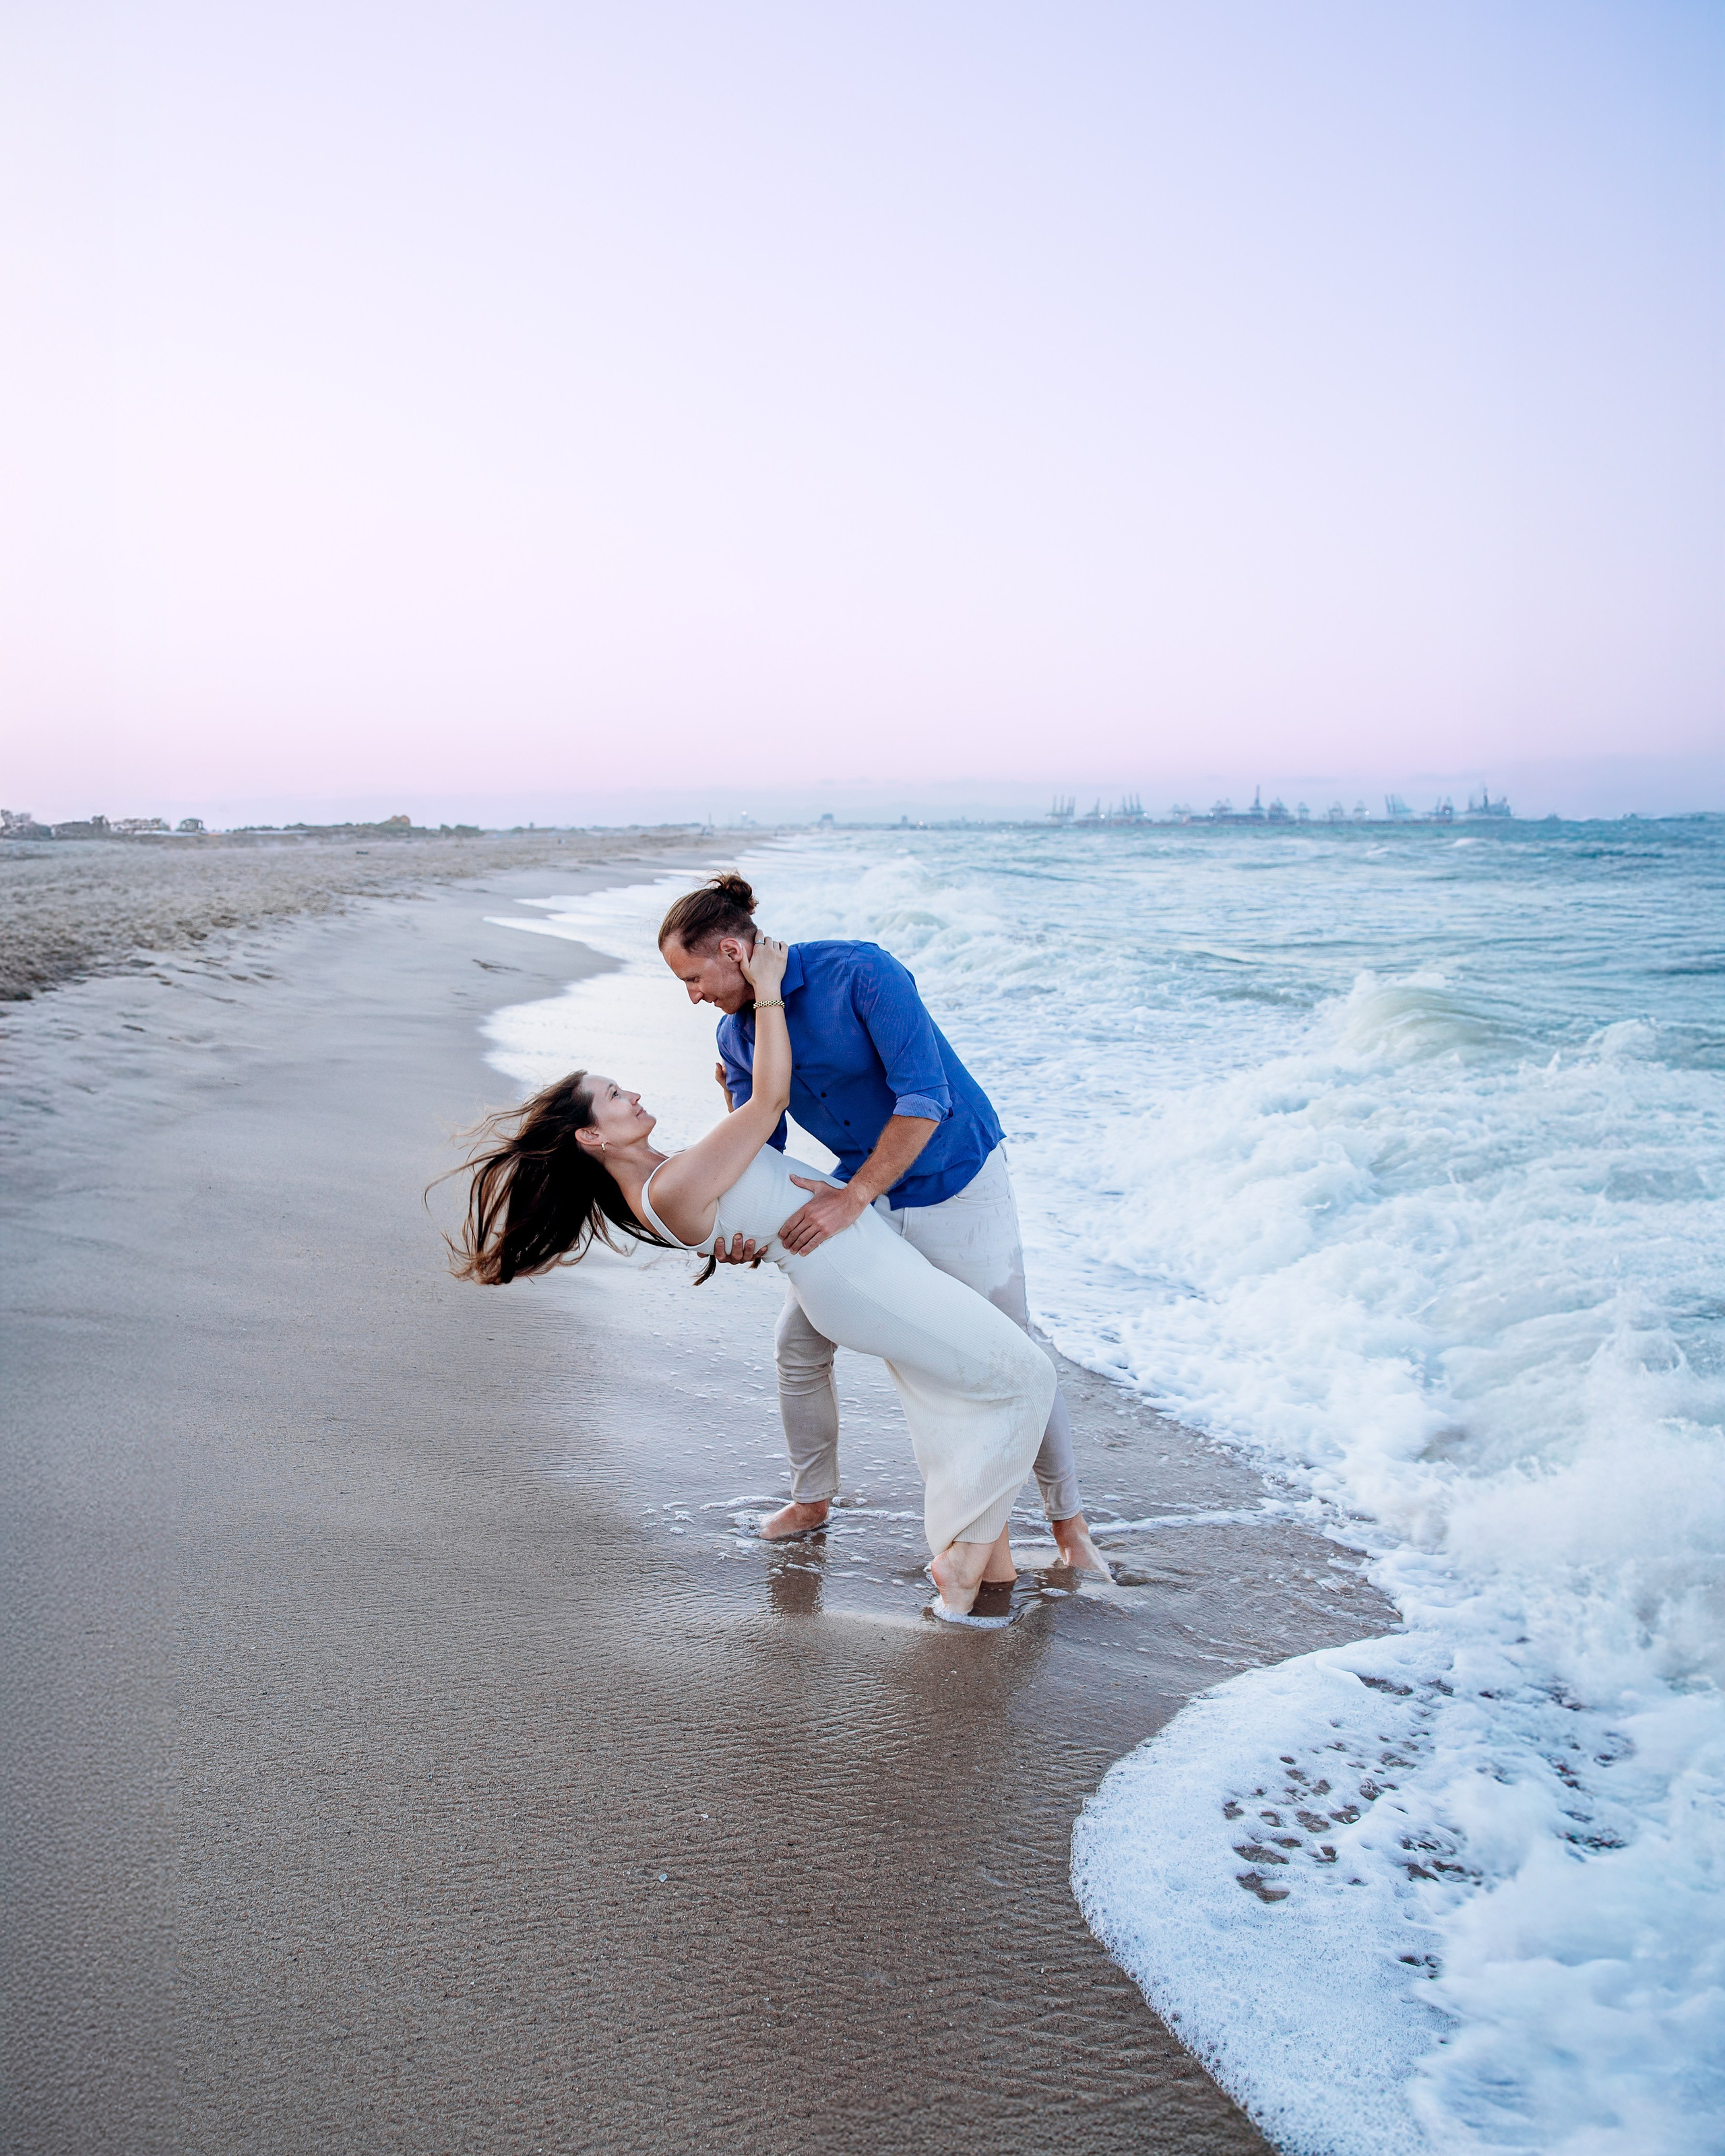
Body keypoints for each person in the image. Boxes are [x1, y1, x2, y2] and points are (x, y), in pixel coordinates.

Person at [447, 936, 1053, 1620]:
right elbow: (769, 1102)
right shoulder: (670, 1184)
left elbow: (751, 1165)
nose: (633, 1092)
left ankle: (984, 1581)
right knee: (1027, 1376)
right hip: (854, 1277)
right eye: (614, 1095)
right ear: (591, 1136)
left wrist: (747, 1203)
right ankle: (963, 1556)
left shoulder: (667, 1172)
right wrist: (766, 986)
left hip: (860, 1265)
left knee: (955, 1396)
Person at [658, 873, 1108, 1577]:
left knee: (1013, 1354)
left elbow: (925, 1097)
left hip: (956, 1178)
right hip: (860, 1187)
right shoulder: (737, 1031)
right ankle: (811, 1501)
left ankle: (1068, 1524)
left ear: (729, 949)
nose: (692, 994)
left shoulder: (860, 971)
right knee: (798, 1344)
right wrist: (742, 1220)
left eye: (692, 976)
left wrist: (853, 1197)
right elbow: (759, 1150)